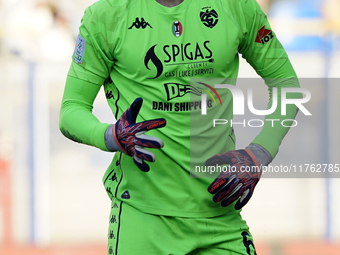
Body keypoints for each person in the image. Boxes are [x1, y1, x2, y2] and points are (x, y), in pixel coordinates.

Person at [59, 0, 300, 254]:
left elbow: (287, 86)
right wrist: (111, 136)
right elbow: (71, 109)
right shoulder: (107, 15)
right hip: (142, 219)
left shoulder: (235, 6)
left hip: (220, 218)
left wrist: (259, 153)